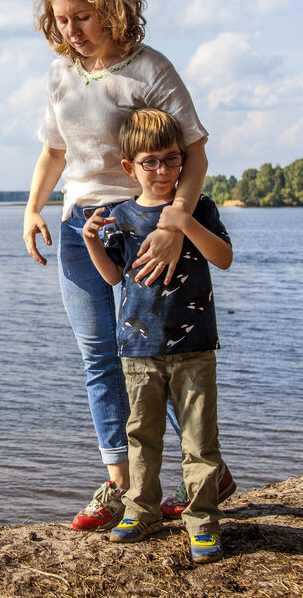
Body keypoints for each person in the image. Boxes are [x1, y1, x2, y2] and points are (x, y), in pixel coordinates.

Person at [22, 0, 234, 532]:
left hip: (144, 230)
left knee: (158, 355)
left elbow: (194, 150)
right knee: (99, 356)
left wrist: (172, 223)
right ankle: (122, 485)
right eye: (62, 19)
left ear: (113, 9)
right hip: (80, 229)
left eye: (84, 17)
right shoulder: (61, 73)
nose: (72, 30)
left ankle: (203, 473)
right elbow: (54, 151)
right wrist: (33, 208)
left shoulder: (151, 70)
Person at [81, 108, 232, 563]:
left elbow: (222, 258)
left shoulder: (198, 207)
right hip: (139, 350)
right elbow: (112, 277)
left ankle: (201, 519)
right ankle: (141, 509)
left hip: (194, 348)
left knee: (198, 439)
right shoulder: (122, 215)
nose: (163, 171)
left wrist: (183, 222)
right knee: (142, 435)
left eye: (172, 160)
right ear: (130, 167)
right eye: (151, 162)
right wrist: (91, 240)